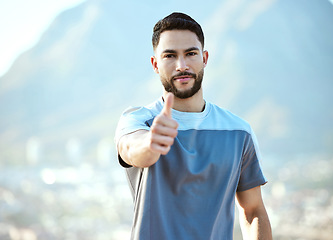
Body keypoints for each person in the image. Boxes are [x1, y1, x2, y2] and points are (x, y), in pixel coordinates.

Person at [114, 12, 272, 240]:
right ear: (155, 64)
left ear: (205, 58)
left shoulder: (239, 132)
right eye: (170, 56)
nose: (182, 65)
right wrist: (151, 143)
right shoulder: (137, 120)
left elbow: (253, 210)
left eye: (190, 53)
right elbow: (133, 149)